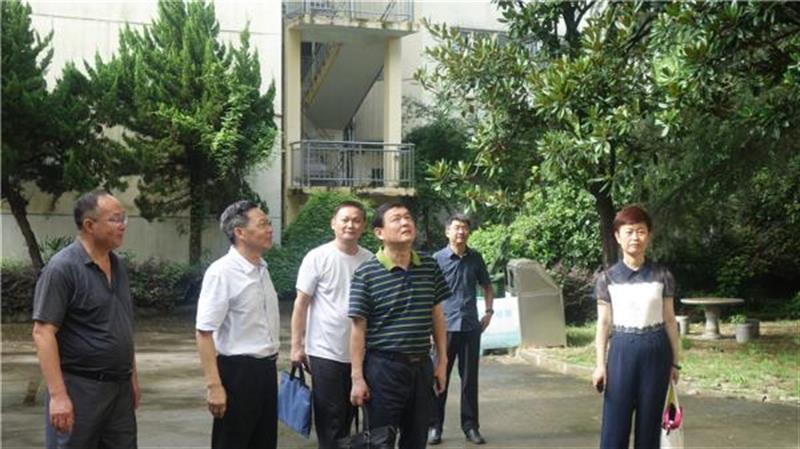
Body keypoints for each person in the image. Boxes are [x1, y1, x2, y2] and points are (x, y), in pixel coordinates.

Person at [32, 190, 140, 449]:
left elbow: (122, 327)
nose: (123, 225)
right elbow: (43, 332)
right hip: (80, 388)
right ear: (90, 225)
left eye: (123, 218)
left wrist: (133, 378)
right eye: (115, 219)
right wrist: (58, 396)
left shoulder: (117, 266)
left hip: (119, 390)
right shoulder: (63, 268)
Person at [348, 202, 450, 449]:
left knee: (416, 438)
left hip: (422, 367)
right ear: (379, 232)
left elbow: (437, 316)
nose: (405, 222)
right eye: (396, 219)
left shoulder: (429, 266)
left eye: (408, 217)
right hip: (383, 369)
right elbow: (358, 330)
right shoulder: (366, 273)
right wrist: (357, 378)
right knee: (380, 441)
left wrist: (442, 362)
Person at [592, 205, 681, 449]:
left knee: (651, 424)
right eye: (629, 232)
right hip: (622, 351)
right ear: (617, 236)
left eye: (641, 231)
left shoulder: (662, 275)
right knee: (615, 423)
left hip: (656, 351)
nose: (635, 238)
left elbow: (670, 320)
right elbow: (603, 323)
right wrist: (600, 365)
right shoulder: (607, 278)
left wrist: (675, 362)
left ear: (648, 235)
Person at [195, 200, 280, 449]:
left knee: (264, 442)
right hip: (237, 374)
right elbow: (204, 332)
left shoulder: (262, 268)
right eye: (262, 224)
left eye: (269, 223)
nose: (269, 229)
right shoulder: (222, 272)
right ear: (240, 232)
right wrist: (214, 385)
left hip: (266, 370)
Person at [290, 201, 373, 448]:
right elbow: (301, 304)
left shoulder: (370, 259)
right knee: (330, 420)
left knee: (353, 415)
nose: (350, 225)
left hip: (362, 353)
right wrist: (296, 346)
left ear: (364, 226)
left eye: (356, 220)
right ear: (333, 224)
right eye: (345, 219)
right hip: (325, 352)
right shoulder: (317, 257)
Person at [429, 213, 493, 445]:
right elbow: (428, 294)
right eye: (456, 227)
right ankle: (434, 426)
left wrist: (489, 312)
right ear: (447, 232)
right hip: (443, 328)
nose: (461, 232)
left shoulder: (476, 258)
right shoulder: (437, 259)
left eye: (465, 228)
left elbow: (487, 286)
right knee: (439, 378)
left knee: (469, 381)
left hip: (469, 327)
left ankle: (471, 427)